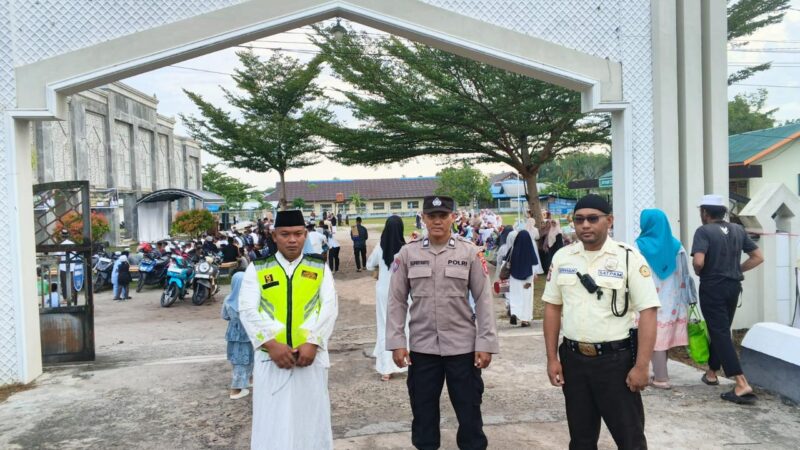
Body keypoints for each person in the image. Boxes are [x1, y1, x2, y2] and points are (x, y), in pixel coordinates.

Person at [542, 194, 661, 449]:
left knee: (630, 439)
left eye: (593, 219)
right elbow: (552, 307)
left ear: (609, 220)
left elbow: (649, 312)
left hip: (615, 363)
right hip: (573, 361)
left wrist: (642, 366)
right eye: (579, 219)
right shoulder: (563, 257)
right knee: (581, 439)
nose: (585, 225)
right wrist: (552, 358)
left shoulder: (629, 258)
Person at [387, 196, 499, 450]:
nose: (437, 221)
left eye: (443, 215)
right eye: (432, 216)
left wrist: (486, 343)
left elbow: (483, 300)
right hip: (423, 348)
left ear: (453, 217)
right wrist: (397, 342)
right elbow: (396, 301)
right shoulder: (408, 253)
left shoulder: (470, 252)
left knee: (469, 412)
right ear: (423, 218)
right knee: (423, 414)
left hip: (463, 348)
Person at [238, 210, 338, 450]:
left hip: (309, 359)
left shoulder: (319, 267)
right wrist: (271, 344)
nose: (292, 240)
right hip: (271, 360)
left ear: (305, 235)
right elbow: (247, 310)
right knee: (272, 424)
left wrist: (313, 342)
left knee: (311, 421)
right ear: (274, 236)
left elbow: (329, 307)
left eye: (298, 234)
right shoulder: (258, 268)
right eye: (285, 234)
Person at [691, 194, 763, 405]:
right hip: (733, 287)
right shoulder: (738, 230)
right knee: (721, 329)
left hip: (713, 287)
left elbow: (699, 261)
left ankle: (741, 383)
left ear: (705, 212)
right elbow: (758, 257)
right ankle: (712, 373)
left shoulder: (703, 231)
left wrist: (699, 271)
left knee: (719, 331)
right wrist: (736, 270)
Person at [634, 209, 692, 389]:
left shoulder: (638, 246)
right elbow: (684, 273)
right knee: (663, 334)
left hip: (647, 295)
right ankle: (659, 371)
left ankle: (661, 377)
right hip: (672, 297)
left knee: (652, 334)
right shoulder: (677, 246)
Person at [366, 215, 408, 381]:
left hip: (384, 292)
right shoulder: (406, 249)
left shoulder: (380, 247)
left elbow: (369, 265)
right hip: (403, 292)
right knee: (404, 326)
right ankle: (405, 362)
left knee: (384, 326)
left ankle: (386, 369)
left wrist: (380, 267)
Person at [222, 272, 254, 400]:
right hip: (248, 334)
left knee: (238, 359)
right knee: (246, 359)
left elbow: (225, 316)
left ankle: (249, 379)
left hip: (233, 334)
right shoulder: (249, 300)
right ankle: (236, 389)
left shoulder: (228, 299)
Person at [507, 230, 539, 327]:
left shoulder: (513, 249)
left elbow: (506, 261)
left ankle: (514, 313)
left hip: (514, 278)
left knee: (515, 296)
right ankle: (525, 320)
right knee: (526, 299)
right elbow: (534, 265)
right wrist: (532, 277)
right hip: (527, 279)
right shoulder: (530, 250)